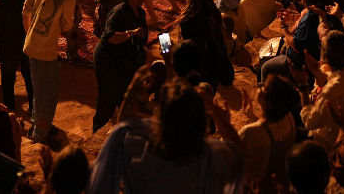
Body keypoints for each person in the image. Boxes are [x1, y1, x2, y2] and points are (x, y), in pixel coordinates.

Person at [88, 78, 244, 194]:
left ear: (160, 119)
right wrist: (213, 110)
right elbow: (239, 151)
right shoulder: (212, 160)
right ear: (202, 123)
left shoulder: (139, 153)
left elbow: (123, 124)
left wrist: (130, 92)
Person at [22, 0, 79, 144]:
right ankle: (41, 133)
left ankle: (37, 124)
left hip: (31, 44)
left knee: (37, 89)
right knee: (49, 93)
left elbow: (26, 9)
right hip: (46, 51)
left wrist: (30, 33)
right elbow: (66, 28)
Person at [92, 0, 148, 132]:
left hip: (125, 60)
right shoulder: (119, 12)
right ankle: (98, 128)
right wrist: (132, 33)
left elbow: (143, 37)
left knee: (124, 96)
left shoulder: (140, 12)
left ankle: (121, 130)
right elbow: (110, 37)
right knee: (108, 97)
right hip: (108, 59)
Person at [299, 30, 344, 151]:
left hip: (330, 141)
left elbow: (310, 122)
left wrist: (303, 86)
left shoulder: (331, 91)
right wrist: (318, 71)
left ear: (326, 58)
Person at [238, 75, 300, 192]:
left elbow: (227, 153)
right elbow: (269, 131)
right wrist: (251, 115)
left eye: (264, 88)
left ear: (268, 104)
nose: (259, 87)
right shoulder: (288, 118)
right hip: (281, 185)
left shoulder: (250, 132)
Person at [179, 0, 234, 88]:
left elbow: (189, 54)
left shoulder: (189, 19)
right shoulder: (213, 10)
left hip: (197, 77)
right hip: (212, 73)